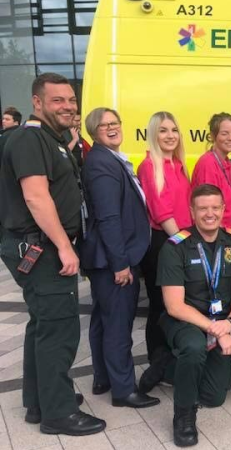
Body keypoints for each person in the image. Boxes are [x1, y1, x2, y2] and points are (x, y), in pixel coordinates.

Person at [0, 73, 105, 435]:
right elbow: (35, 197)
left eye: (71, 100)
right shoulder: (29, 138)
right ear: (37, 102)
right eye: (58, 100)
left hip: (42, 244)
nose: (68, 107)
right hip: (41, 247)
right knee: (59, 328)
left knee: (42, 324)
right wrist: (63, 246)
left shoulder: (49, 139)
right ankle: (58, 414)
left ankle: (38, 400)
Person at [157, 184, 231, 447]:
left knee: (214, 396)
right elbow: (174, 306)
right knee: (194, 346)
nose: (209, 214)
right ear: (192, 211)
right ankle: (183, 416)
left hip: (221, 321)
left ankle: (167, 367)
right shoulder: (176, 247)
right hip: (184, 320)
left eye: (215, 208)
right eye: (202, 208)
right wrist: (216, 330)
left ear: (223, 209)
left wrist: (229, 323)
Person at [79, 107, 160, 408]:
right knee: (118, 325)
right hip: (113, 259)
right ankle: (123, 389)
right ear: (94, 132)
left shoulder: (107, 158)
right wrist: (121, 264)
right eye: (104, 126)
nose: (112, 128)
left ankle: (103, 377)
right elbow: (109, 218)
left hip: (106, 258)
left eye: (115, 123)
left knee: (103, 319)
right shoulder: (102, 163)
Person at [136, 111, 193, 392]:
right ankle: (157, 364)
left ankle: (171, 360)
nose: (170, 135)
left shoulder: (179, 164)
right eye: (163, 131)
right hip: (165, 242)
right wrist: (183, 244)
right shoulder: (150, 166)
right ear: (153, 135)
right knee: (160, 306)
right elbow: (161, 211)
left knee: (178, 305)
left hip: (181, 238)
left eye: (173, 130)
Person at [191, 112, 231, 231]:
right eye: (225, 134)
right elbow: (208, 208)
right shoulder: (208, 164)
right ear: (213, 136)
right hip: (217, 233)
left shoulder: (227, 163)